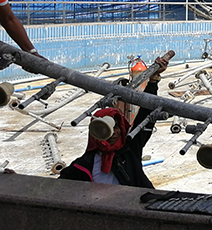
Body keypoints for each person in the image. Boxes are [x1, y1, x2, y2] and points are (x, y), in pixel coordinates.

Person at [59, 55, 168, 187]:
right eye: (105, 129)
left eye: (117, 127)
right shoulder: (84, 164)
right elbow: (57, 188)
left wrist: (153, 80)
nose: (113, 133)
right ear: (96, 133)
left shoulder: (130, 151)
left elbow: (146, 115)